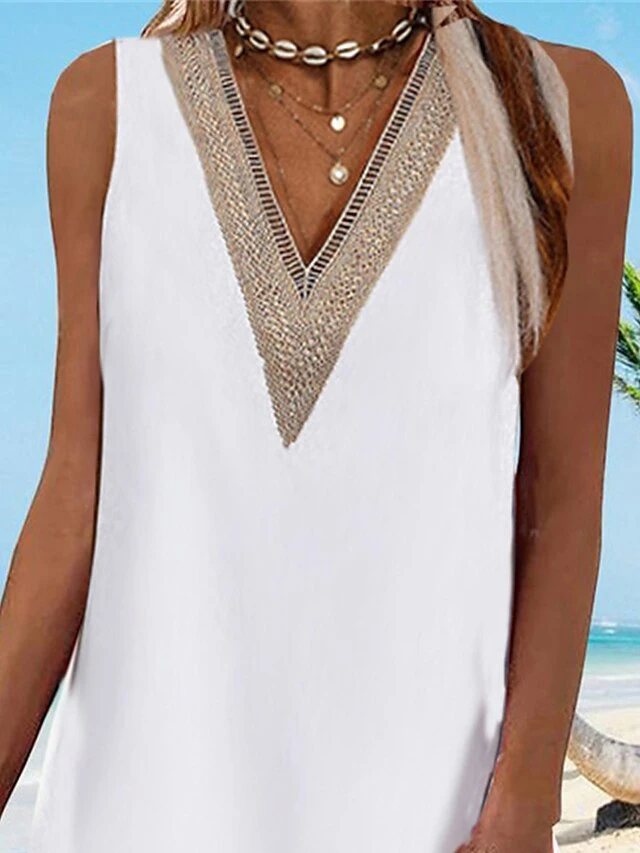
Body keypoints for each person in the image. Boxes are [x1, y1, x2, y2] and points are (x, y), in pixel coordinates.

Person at [0, 1, 633, 851]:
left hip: (425, 815)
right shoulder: (105, 107)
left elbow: (560, 500)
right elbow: (73, 499)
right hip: (131, 812)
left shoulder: (560, 106)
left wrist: (525, 800)